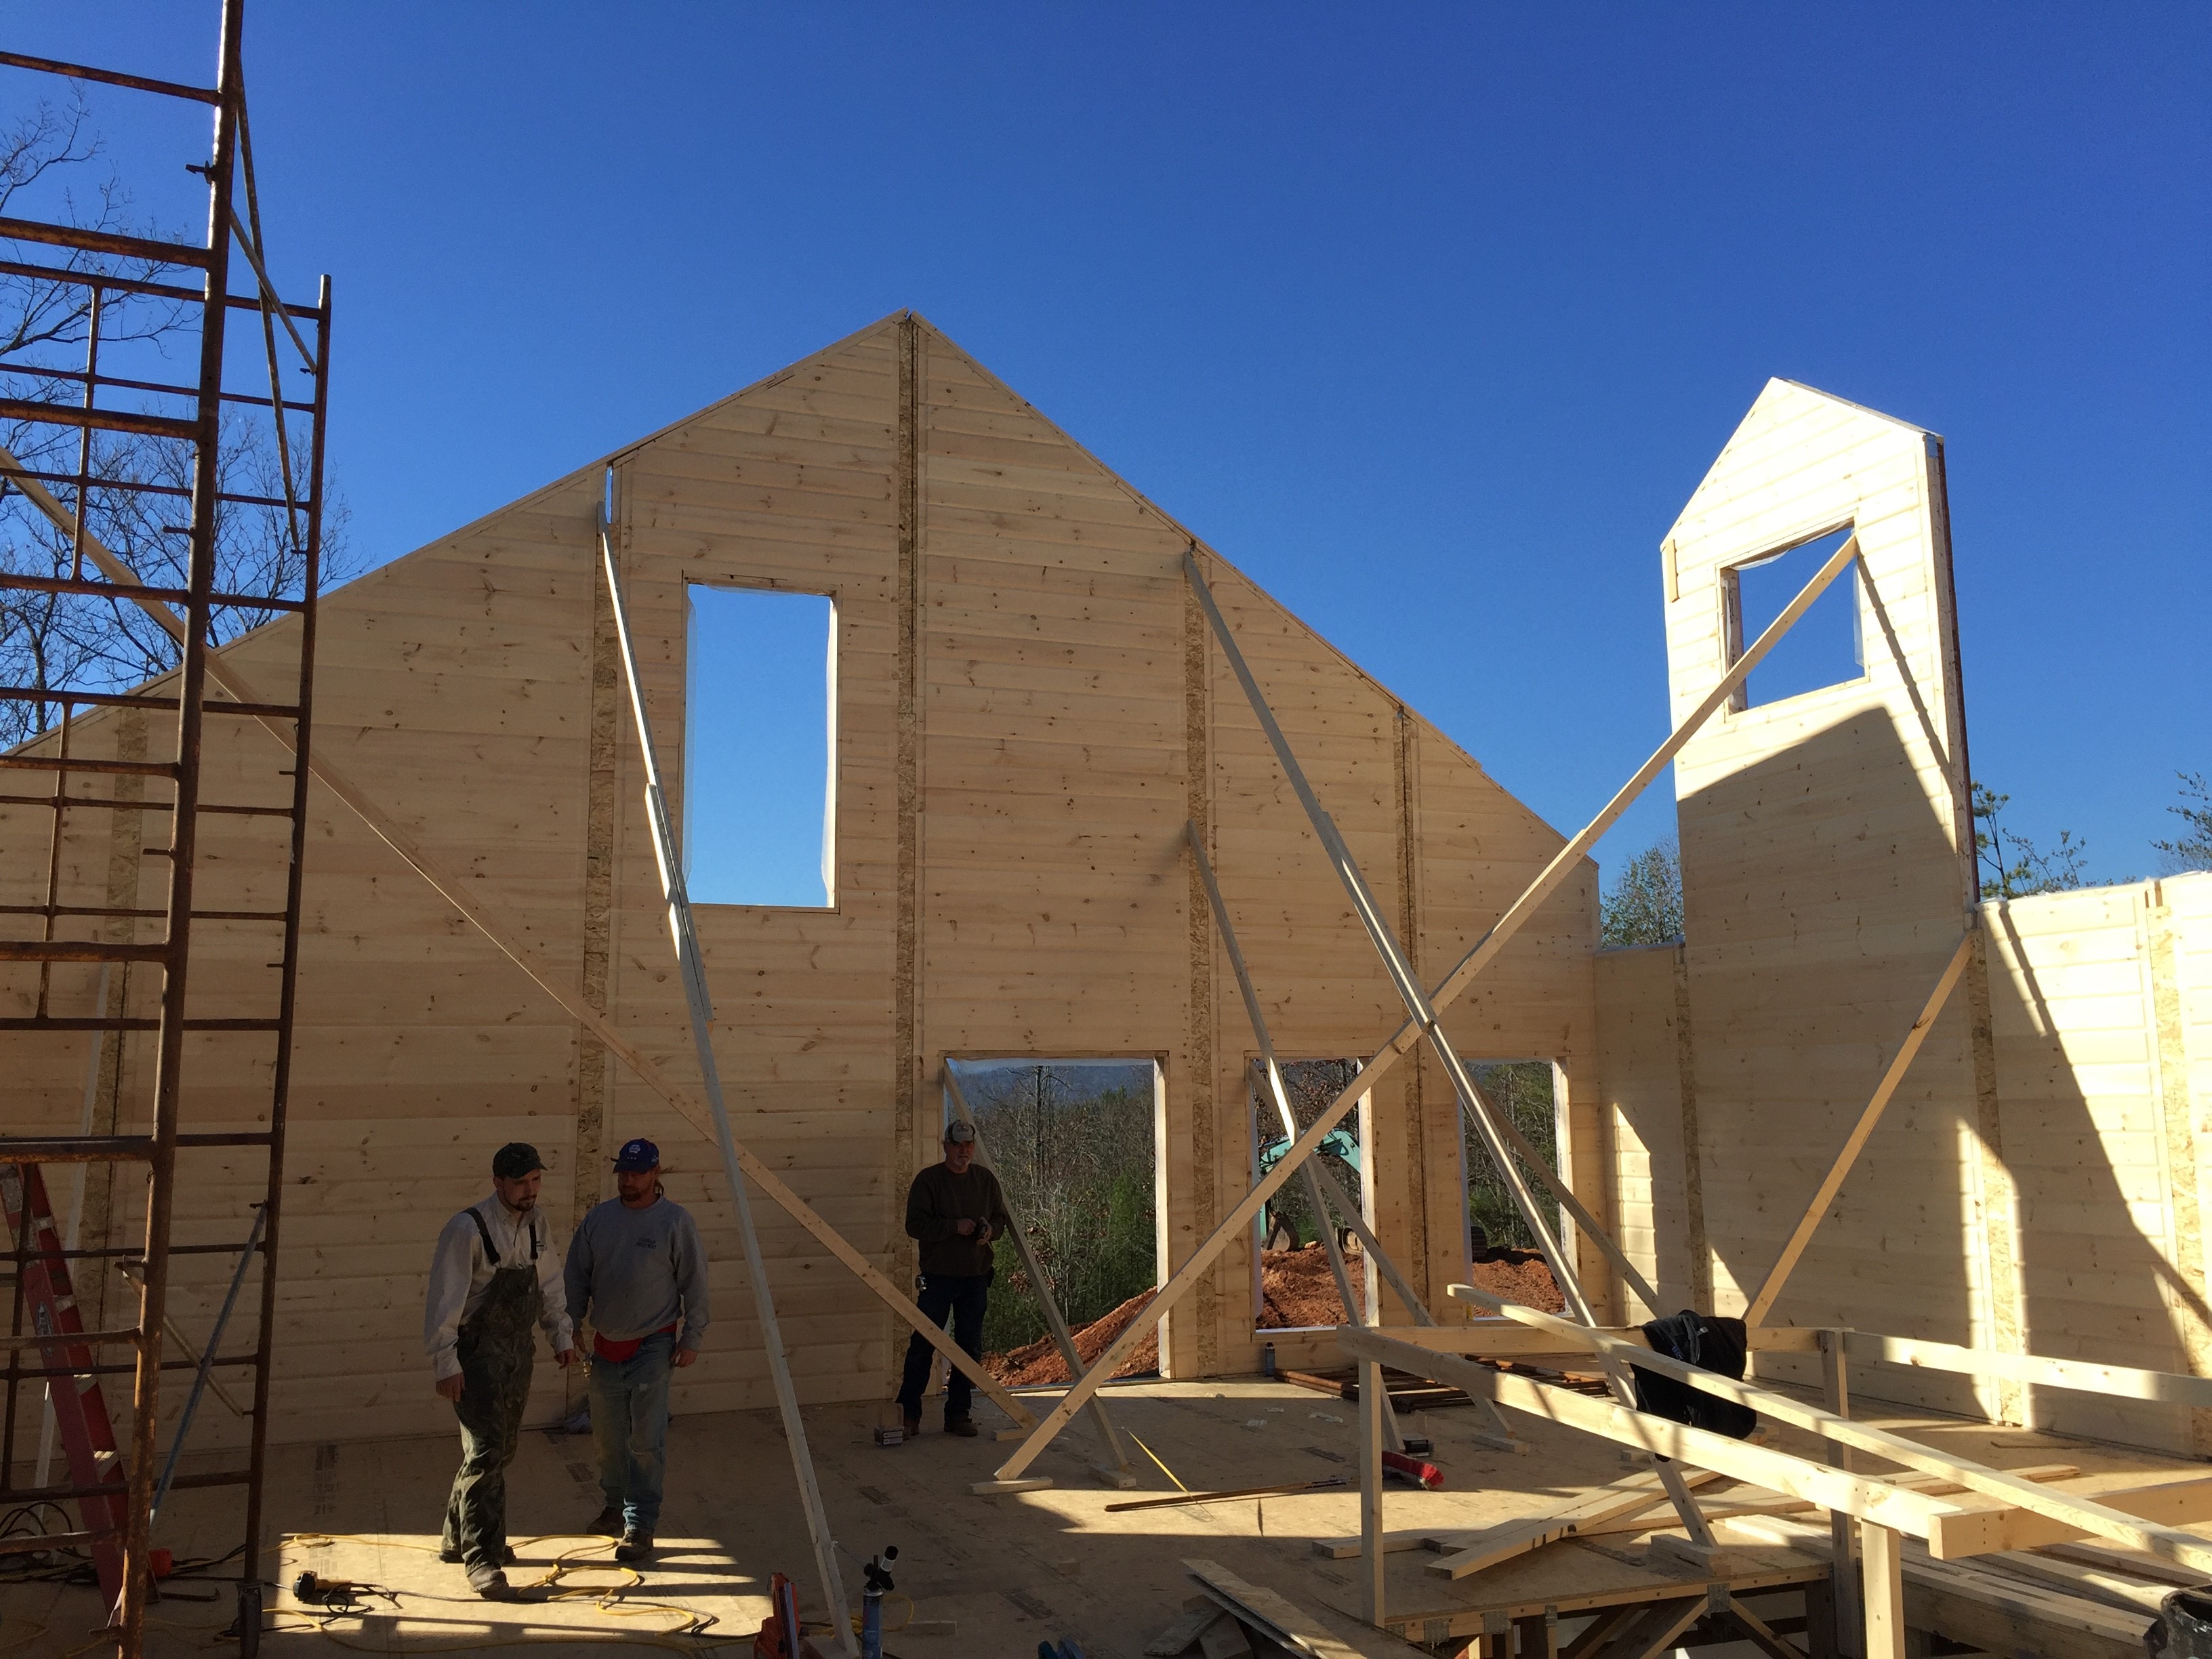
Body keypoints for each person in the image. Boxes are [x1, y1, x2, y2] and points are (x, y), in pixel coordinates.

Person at [424, 1141, 576, 1601]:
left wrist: (562, 1335)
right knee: (487, 1451)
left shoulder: (538, 1224)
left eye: (535, 1181)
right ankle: (484, 1561)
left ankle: (457, 1539)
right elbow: (444, 1303)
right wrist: (445, 1364)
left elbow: (549, 1283)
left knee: (500, 1451)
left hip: (518, 1352)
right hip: (476, 1355)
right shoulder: (466, 1229)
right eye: (520, 1183)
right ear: (497, 1183)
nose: (530, 1190)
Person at [565, 1137, 708, 1563]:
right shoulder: (599, 1220)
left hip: (653, 1341)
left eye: (638, 1173)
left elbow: (695, 1284)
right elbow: (576, 1276)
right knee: (609, 1437)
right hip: (607, 1342)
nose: (629, 1180)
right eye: (624, 1173)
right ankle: (613, 1504)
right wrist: (569, 1323)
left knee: (645, 1439)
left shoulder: (675, 1223)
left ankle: (640, 1524)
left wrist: (692, 1337)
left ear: (655, 1172)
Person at [895, 1120, 1012, 1438]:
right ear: (946, 1146)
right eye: (958, 1145)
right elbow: (915, 1225)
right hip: (938, 1278)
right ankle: (908, 1414)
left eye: (969, 1145)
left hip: (976, 1277)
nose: (964, 1151)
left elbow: (1001, 1218)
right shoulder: (929, 1181)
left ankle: (958, 1414)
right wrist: (953, 1226)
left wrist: (990, 1232)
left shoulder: (985, 1181)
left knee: (969, 1348)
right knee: (923, 1345)